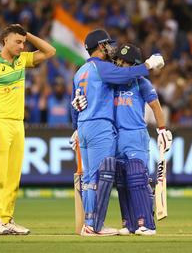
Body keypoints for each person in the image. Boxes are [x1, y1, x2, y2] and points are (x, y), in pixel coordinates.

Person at [70, 29, 165, 237]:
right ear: (100, 46)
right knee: (100, 176)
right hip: (100, 127)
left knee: (90, 178)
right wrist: (148, 65)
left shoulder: (80, 71)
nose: (111, 48)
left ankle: (94, 223)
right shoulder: (102, 67)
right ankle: (93, 226)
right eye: (107, 44)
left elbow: (75, 102)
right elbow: (126, 74)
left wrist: (76, 127)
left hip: (85, 126)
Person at [0, 24, 56, 235]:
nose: (22, 46)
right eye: (18, 41)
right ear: (5, 41)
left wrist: (27, 33)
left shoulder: (21, 61)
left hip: (17, 124)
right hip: (0, 123)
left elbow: (50, 51)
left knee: (13, 176)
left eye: (23, 42)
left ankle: (6, 219)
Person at [111, 43, 172, 236]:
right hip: (115, 136)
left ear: (133, 64)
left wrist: (162, 130)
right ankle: (129, 223)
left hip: (136, 135)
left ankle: (146, 223)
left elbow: (156, 107)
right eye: (118, 60)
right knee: (121, 182)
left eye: (125, 61)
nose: (120, 64)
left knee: (137, 178)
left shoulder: (141, 82)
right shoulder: (111, 82)